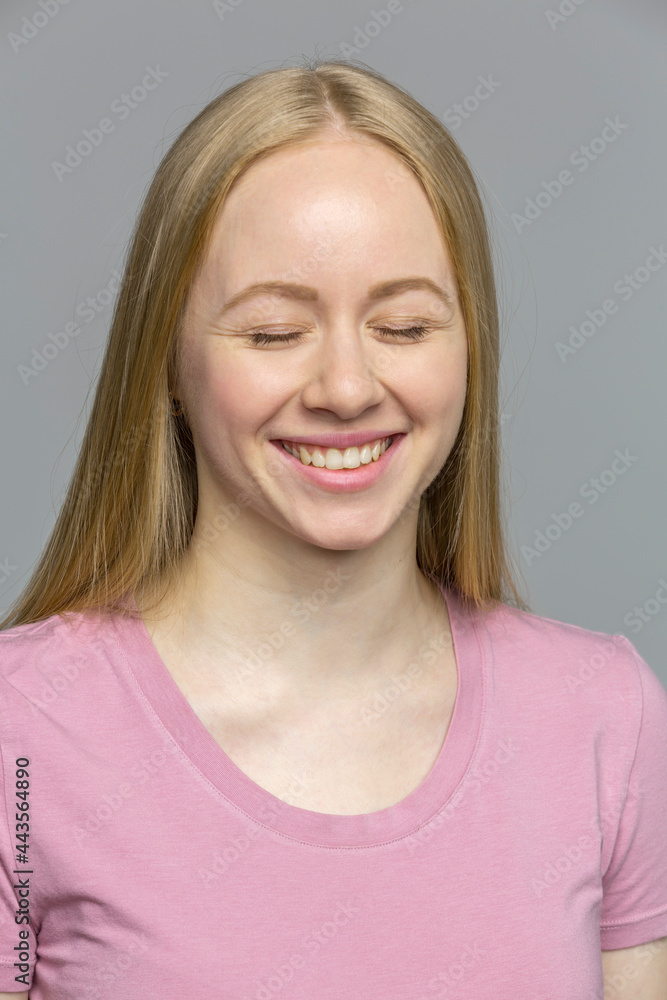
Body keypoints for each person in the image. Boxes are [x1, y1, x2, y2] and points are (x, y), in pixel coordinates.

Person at [0, 58, 666, 999]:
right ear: (167, 362)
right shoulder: (21, 737)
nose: (347, 389)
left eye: (404, 327)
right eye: (273, 332)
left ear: (469, 349)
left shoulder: (606, 718)